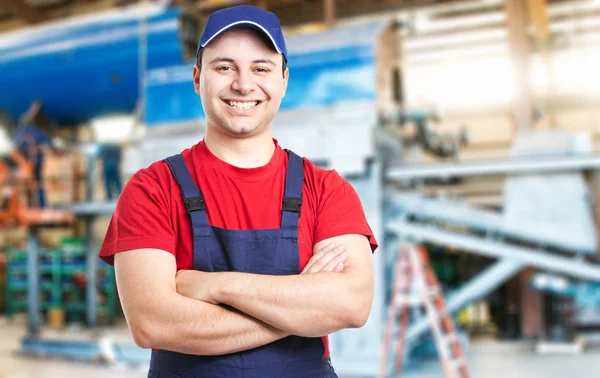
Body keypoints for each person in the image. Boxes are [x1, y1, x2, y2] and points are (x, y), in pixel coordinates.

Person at [99, 5, 377, 378]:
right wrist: (301, 308)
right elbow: (153, 323)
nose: (244, 85)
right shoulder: (152, 189)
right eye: (224, 67)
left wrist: (213, 286)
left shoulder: (327, 190)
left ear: (283, 81)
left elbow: (352, 305)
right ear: (198, 78)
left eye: (261, 68)